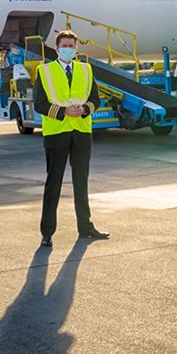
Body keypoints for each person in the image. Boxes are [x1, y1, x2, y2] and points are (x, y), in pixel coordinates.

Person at [33, 30, 111, 246]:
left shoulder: (86, 69)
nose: (68, 49)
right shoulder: (44, 70)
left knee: (81, 183)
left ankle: (85, 227)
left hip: (81, 133)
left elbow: (96, 99)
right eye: (64, 46)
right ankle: (47, 232)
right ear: (57, 49)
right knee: (53, 184)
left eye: (71, 46)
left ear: (76, 49)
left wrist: (85, 109)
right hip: (57, 133)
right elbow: (38, 104)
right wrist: (63, 112)